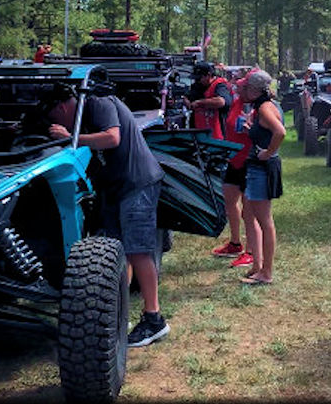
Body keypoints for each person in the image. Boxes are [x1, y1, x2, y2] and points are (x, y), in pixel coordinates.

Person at [43, 84, 170, 347]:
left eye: (56, 118)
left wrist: (71, 137)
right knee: (114, 252)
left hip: (137, 183)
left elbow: (113, 138)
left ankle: (154, 319)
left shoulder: (98, 103)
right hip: (117, 187)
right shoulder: (87, 113)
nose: (58, 123)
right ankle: (115, 314)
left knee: (138, 251)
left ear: (62, 107)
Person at [238, 69, 285, 286]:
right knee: (255, 216)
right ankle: (259, 267)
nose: (243, 90)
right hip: (258, 168)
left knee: (265, 221)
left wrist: (268, 152)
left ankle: (266, 273)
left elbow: (280, 132)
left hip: (262, 168)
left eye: (246, 87)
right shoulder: (263, 107)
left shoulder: (265, 108)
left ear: (255, 90)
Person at [214, 71, 258, 268]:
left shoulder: (262, 107)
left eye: (242, 85)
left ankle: (251, 251)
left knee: (249, 212)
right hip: (233, 159)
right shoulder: (238, 102)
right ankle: (235, 243)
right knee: (229, 201)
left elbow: (274, 133)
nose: (237, 87)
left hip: (250, 161)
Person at [185, 60, 232, 141]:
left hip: (216, 136)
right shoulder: (197, 86)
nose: (197, 81)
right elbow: (187, 97)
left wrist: (200, 102)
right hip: (198, 134)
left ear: (208, 75)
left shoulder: (220, 86)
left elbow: (221, 102)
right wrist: (187, 102)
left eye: (200, 78)